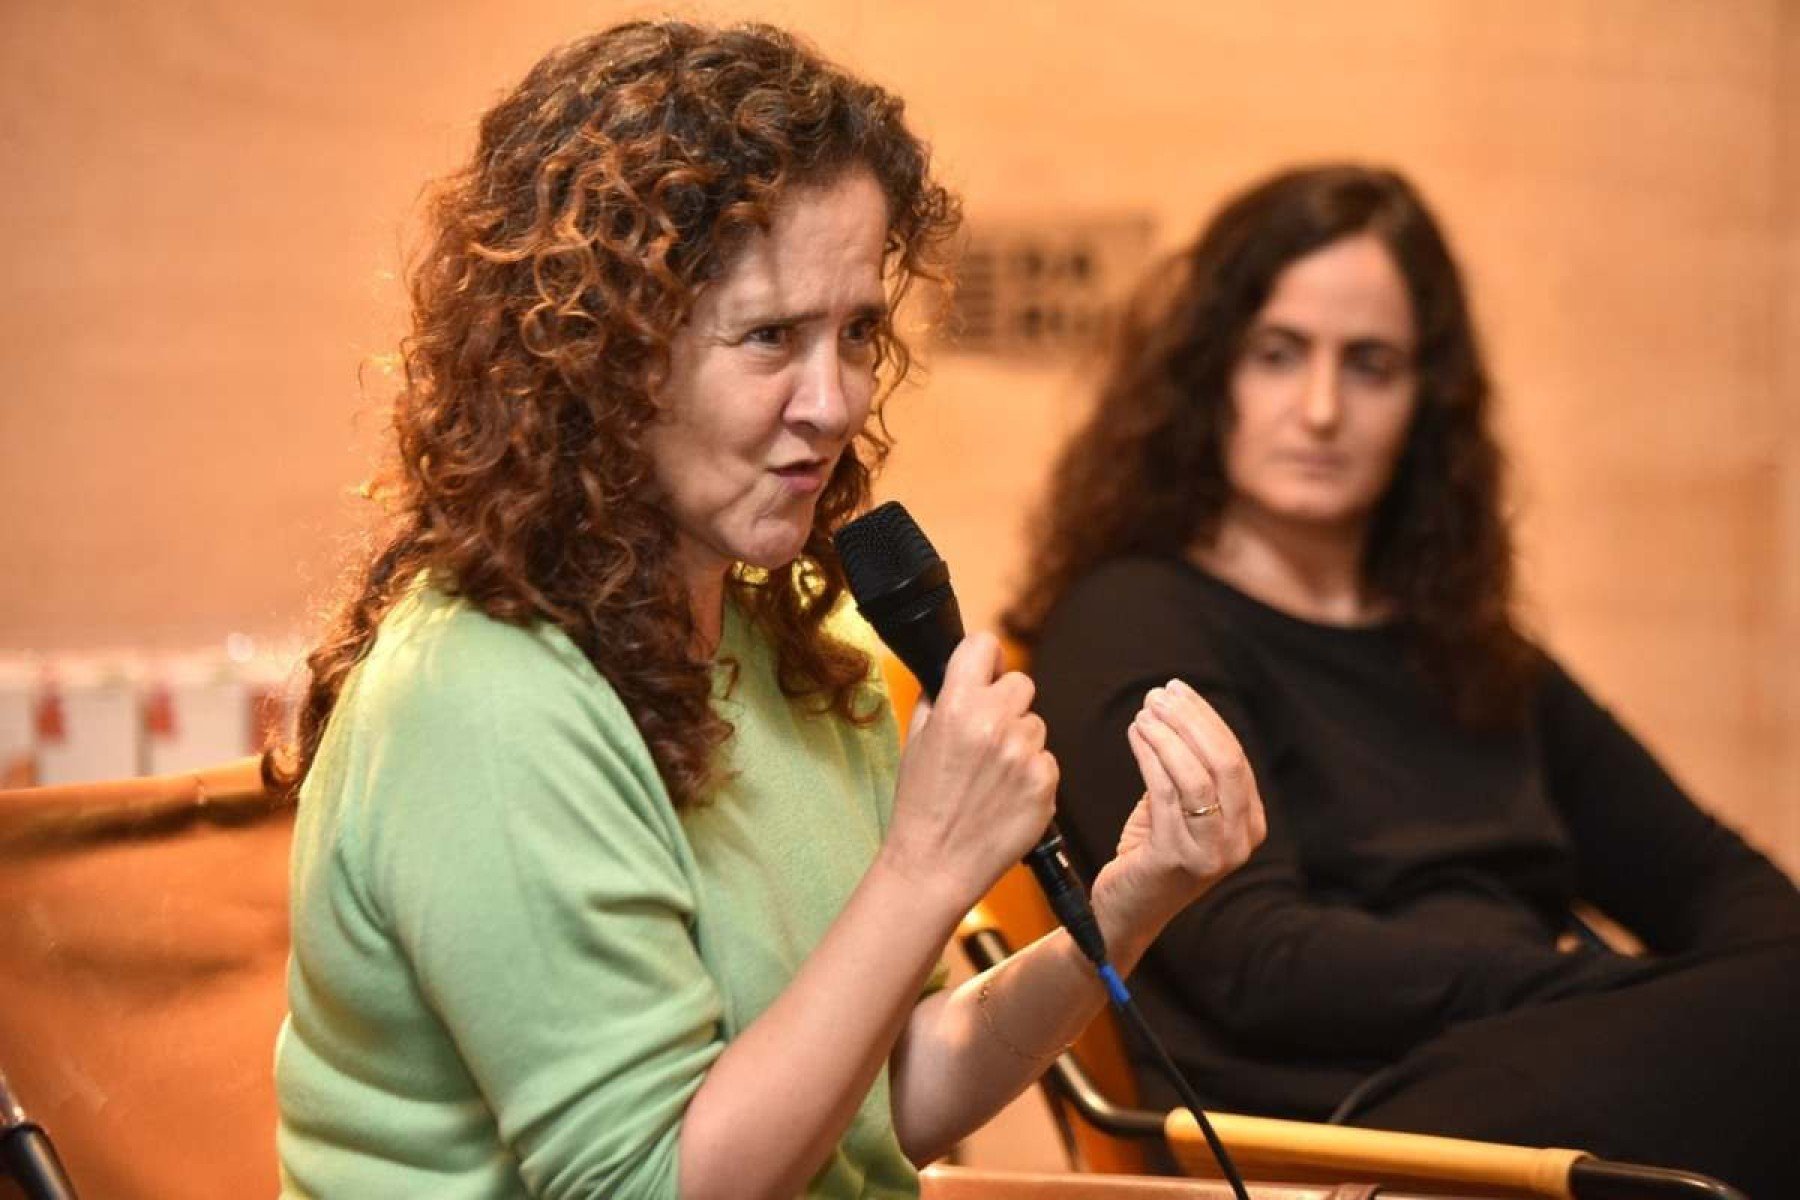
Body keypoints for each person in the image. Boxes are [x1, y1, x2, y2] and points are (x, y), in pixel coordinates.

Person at [267, 21, 1264, 1200]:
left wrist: (1125, 907)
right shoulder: (480, 693)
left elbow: (885, 1102)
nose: (834, 404)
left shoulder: (802, 641)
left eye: (858, 333)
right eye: (770, 338)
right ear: (604, 355)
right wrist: (925, 865)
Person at [1007, 164, 1800, 1198]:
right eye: (1278, 354)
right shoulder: (1133, 616)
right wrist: (1592, 988)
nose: (1321, 409)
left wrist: (1693, 996)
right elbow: (1255, 960)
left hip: (1543, 1067)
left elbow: (1715, 881)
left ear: (1427, 401)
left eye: (1370, 365)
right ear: (1210, 375)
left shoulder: (1466, 644)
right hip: (1338, 1134)